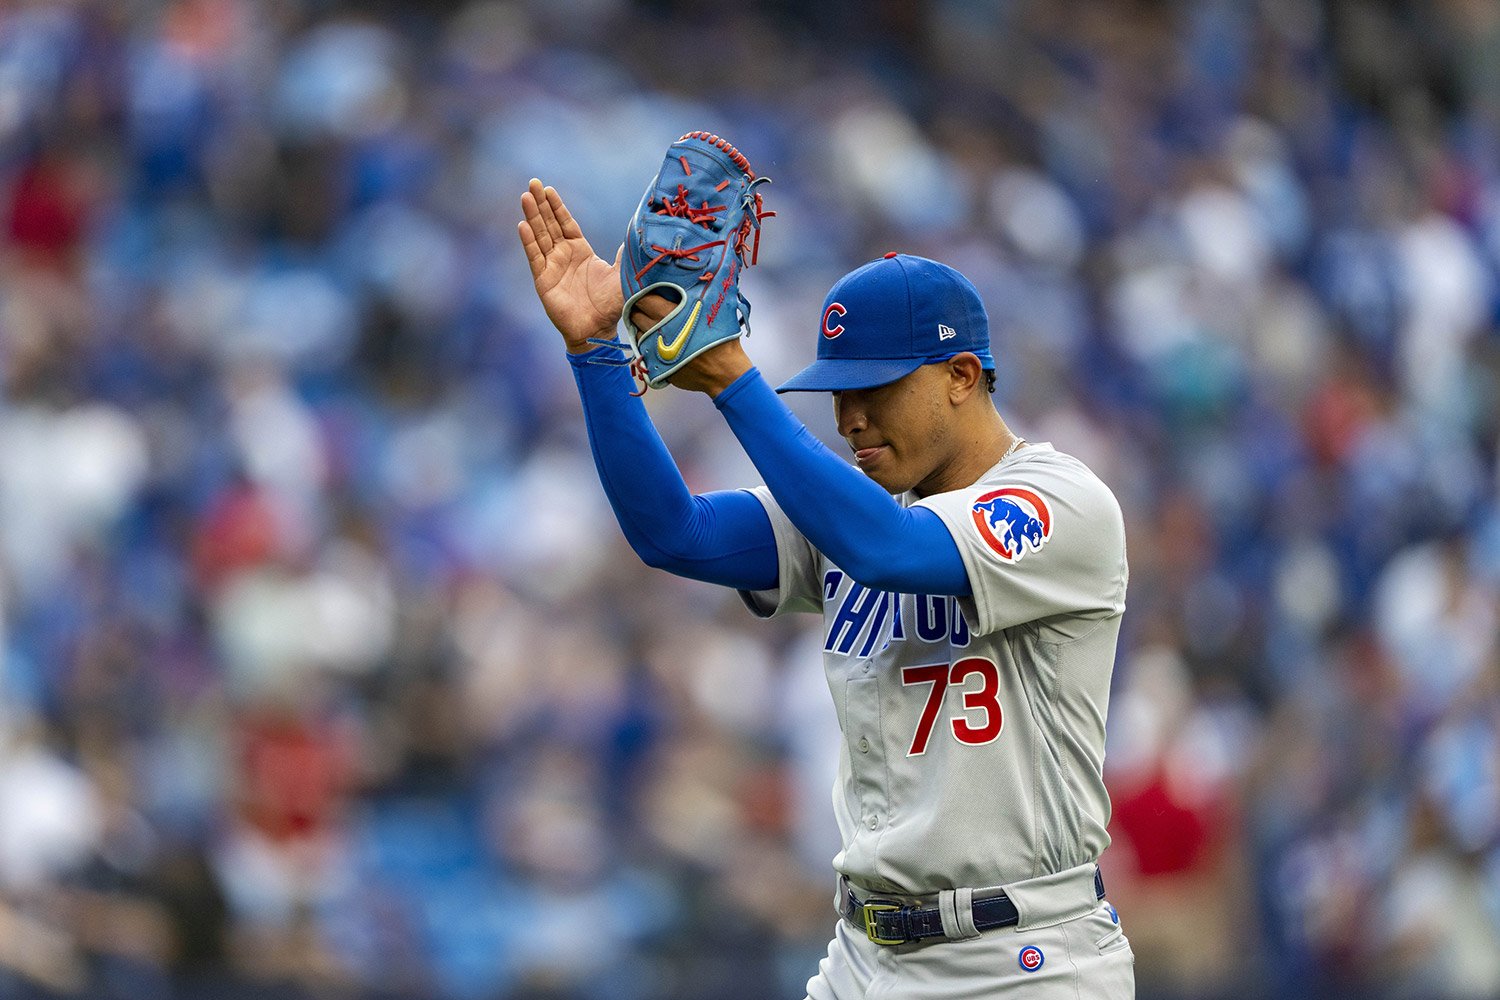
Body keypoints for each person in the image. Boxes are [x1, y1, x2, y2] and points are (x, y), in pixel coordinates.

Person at [518, 177, 1134, 999]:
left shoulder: (1061, 503)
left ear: (960, 374)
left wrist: (735, 379)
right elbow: (674, 532)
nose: (849, 418)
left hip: (1022, 958)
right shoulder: (856, 508)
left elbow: (889, 551)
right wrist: (597, 353)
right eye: (837, 391)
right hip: (864, 955)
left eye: (874, 389)